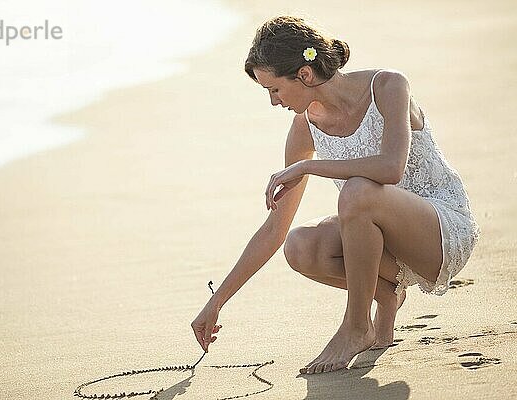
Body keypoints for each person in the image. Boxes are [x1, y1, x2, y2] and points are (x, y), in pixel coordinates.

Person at [191, 15, 480, 374]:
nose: (273, 102)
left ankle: (356, 326)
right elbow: (274, 230)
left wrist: (308, 167)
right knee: (300, 244)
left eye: (274, 90)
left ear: (305, 75)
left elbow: (390, 169)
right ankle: (385, 295)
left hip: (440, 233)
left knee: (357, 192)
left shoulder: (388, 86)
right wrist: (217, 301)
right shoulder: (304, 128)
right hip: (383, 245)